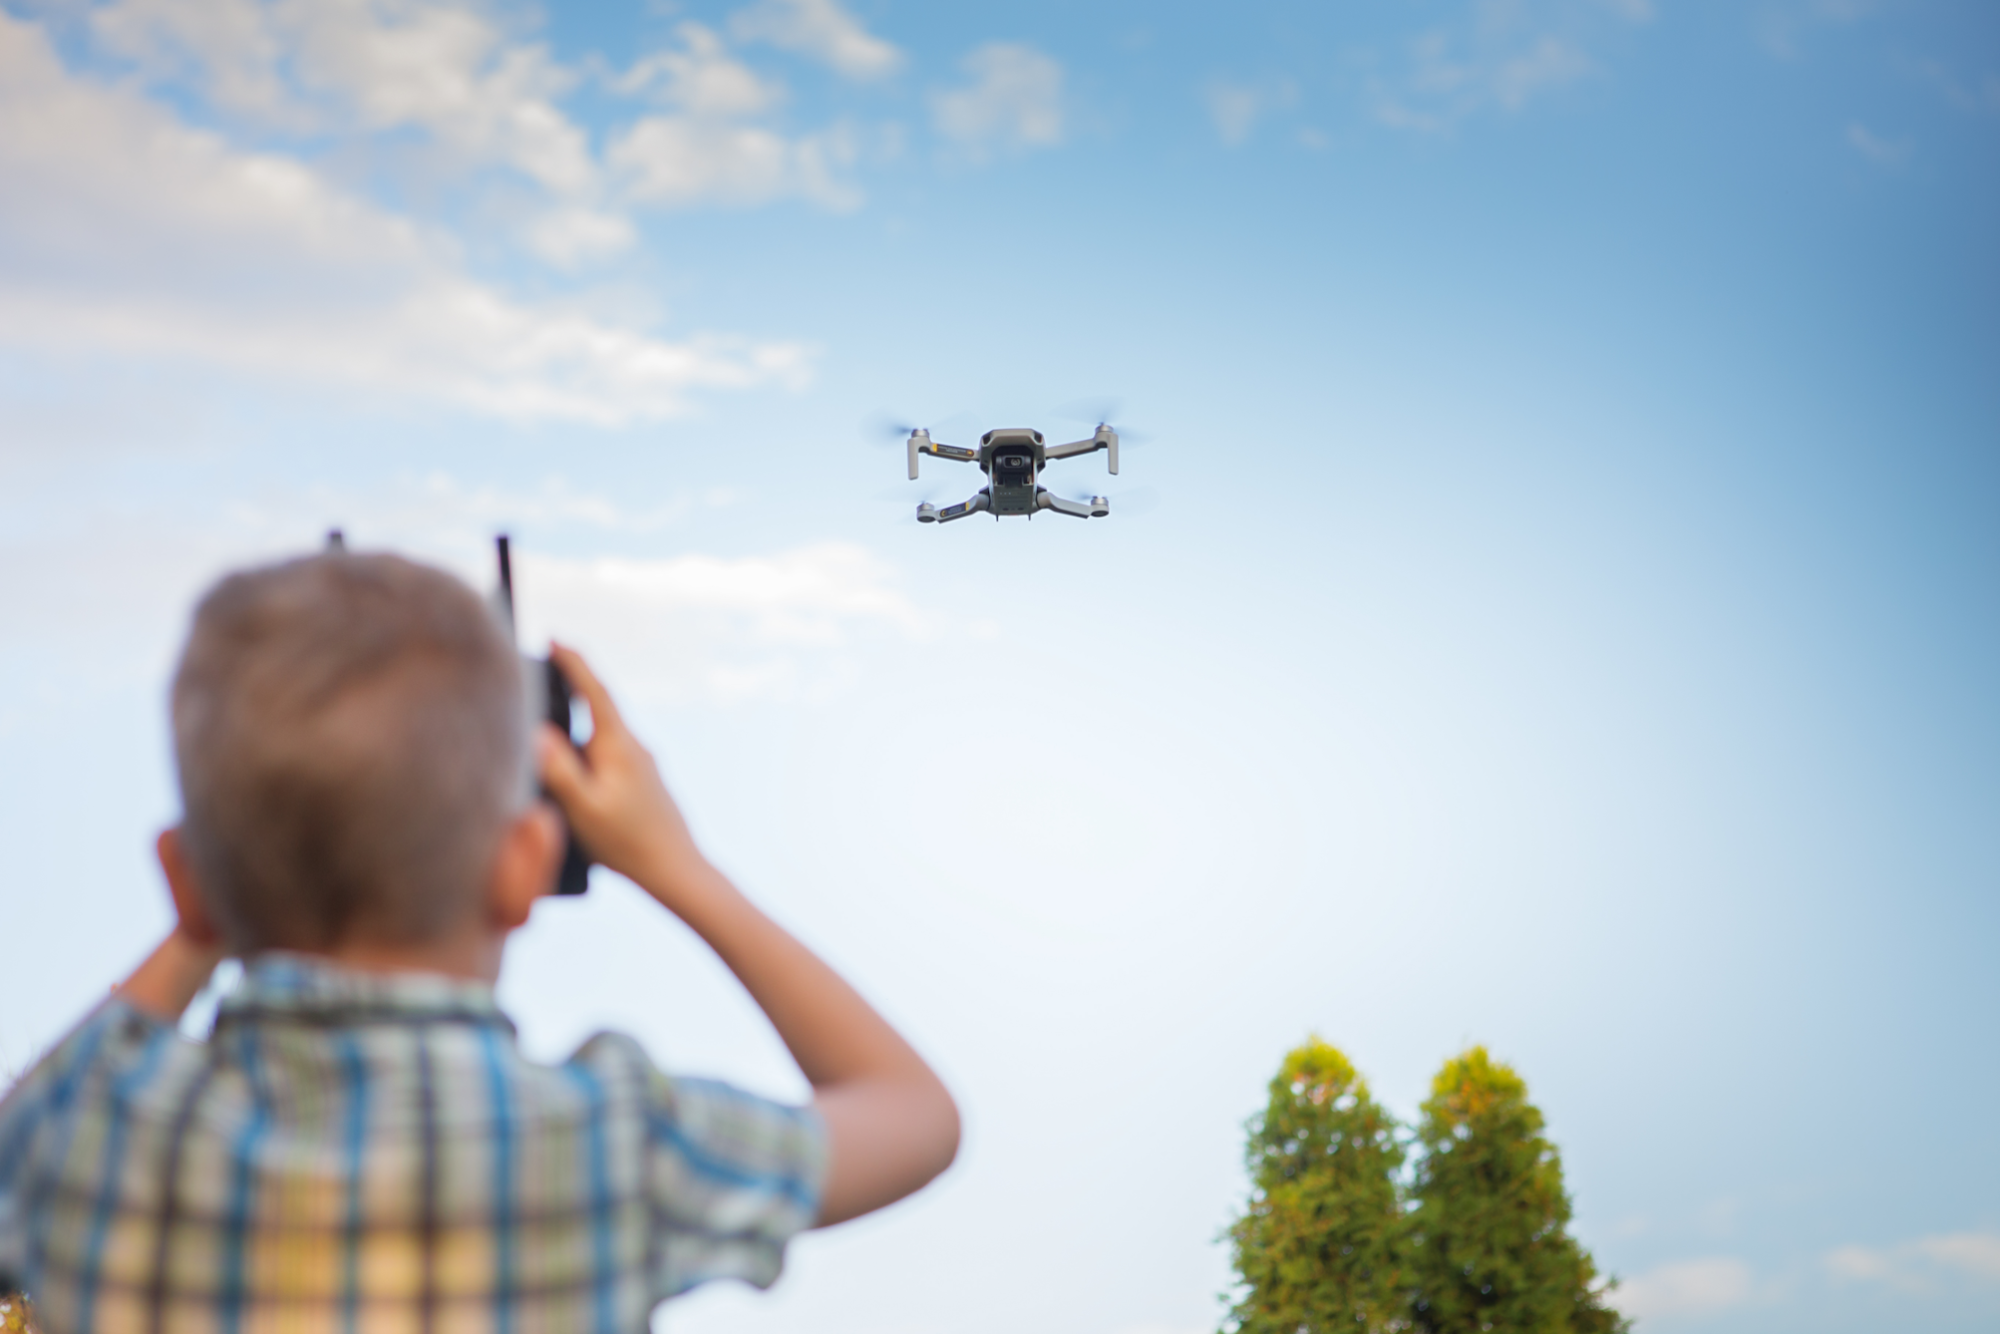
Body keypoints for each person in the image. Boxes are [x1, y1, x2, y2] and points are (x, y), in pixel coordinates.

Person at [0, 550, 960, 1332]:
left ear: (183, 881)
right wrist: (673, 864)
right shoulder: (615, 1148)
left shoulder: (82, 1131)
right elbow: (914, 1115)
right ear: (526, 864)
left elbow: (60, 1087)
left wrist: (218, 899)